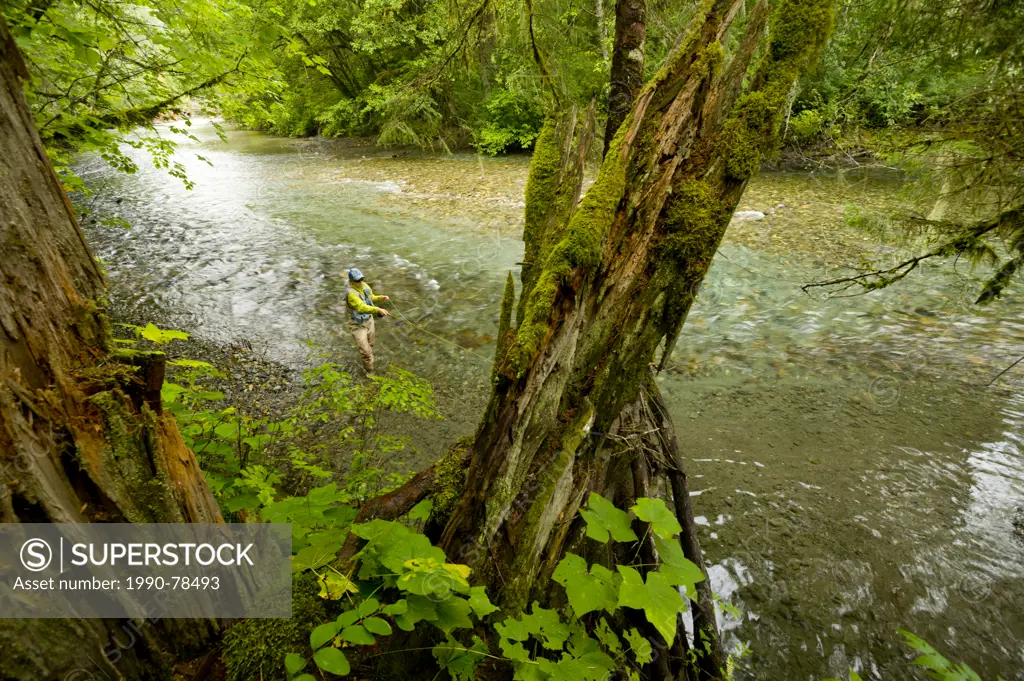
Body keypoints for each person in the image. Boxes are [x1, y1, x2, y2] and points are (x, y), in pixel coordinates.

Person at [345, 268, 391, 374]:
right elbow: (361, 307)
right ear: (351, 281)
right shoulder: (351, 294)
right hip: (357, 325)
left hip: (369, 321)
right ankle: (370, 373)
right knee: (366, 352)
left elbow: (371, 297)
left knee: (371, 345)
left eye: (361, 279)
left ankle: (369, 360)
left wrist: (381, 298)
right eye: (357, 280)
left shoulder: (364, 285)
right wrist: (378, 309)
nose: (360, 282)